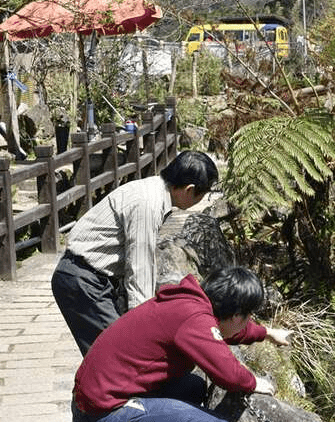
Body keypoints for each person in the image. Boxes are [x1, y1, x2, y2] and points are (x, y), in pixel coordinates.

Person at [71, 266, 292, 422]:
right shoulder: (195, 319)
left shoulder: (189, 304)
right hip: (103, 413)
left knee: (192, 387)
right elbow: (228, 373)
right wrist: (252, 382)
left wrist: (267, 333)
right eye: (248, 316)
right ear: (238, 315)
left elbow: (222, 332)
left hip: (94, 403)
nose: (247, 322)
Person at [51, 150, 219, 355]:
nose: (200, 200)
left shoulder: (154, 192)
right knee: (118, 355)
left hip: (90, 278)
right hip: (84, 281)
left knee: (112, 357)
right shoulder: (148, 204)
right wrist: (145, 327)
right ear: (189, 189)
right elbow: (139, 267)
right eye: (202, 195)